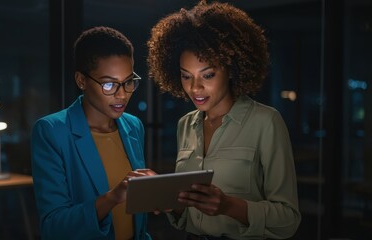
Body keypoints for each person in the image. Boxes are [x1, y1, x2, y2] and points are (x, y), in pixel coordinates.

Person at [147, 1, 301, 239]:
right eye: (186, 76)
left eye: (208, 75)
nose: (195, 88)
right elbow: (189, 216)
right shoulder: (185, 125)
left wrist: (228, 206)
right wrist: (170, 200)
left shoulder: (266, 122)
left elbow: (288, 219)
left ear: (231, 68)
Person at [31, 26, 154, 240]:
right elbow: (53, 227)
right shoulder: (52, 132)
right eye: (109, 84)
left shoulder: (133, 126)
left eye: (128, 82)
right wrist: (112, 198)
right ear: (81, 81)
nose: (122, 94)